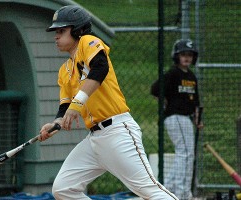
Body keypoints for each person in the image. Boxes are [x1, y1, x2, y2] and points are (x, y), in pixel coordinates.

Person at [38, 5, 178, 200]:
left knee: (149, 189)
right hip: (94, 140)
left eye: (62, 30)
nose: (56, 36)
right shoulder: (64, 70)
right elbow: (65, 107)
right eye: (56, 31)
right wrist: (56, 123)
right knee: (63, 188)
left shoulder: (88, 42)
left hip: (117, 131)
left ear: (77, 30)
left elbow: (100, 68)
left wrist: (76, 105)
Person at [151, 39, 203, 200]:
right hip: (175, 117)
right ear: (177, 57)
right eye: (183, 55)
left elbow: (196, 102)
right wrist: (164, 99)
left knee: (187, 154)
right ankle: (180, 193)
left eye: (189, 55)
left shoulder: (192, 77)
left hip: (186, 119)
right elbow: (155, 89)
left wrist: (198, 119)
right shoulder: (173, 73)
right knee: (185, 153)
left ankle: (170, 188)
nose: (186, 58)